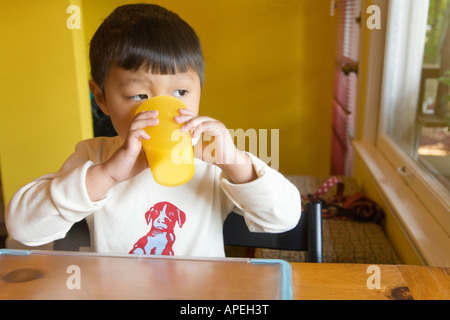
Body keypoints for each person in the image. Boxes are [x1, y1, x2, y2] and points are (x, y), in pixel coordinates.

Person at [6, 3, 300, 257]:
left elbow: (284, 218)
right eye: (139, 96)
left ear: (199, 91)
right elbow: (23, 228)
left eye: (181, 91)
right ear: (101, 99)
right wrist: (106, 175)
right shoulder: (95, 157)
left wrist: (234, 162)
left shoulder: (211, 160)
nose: (161, 111)